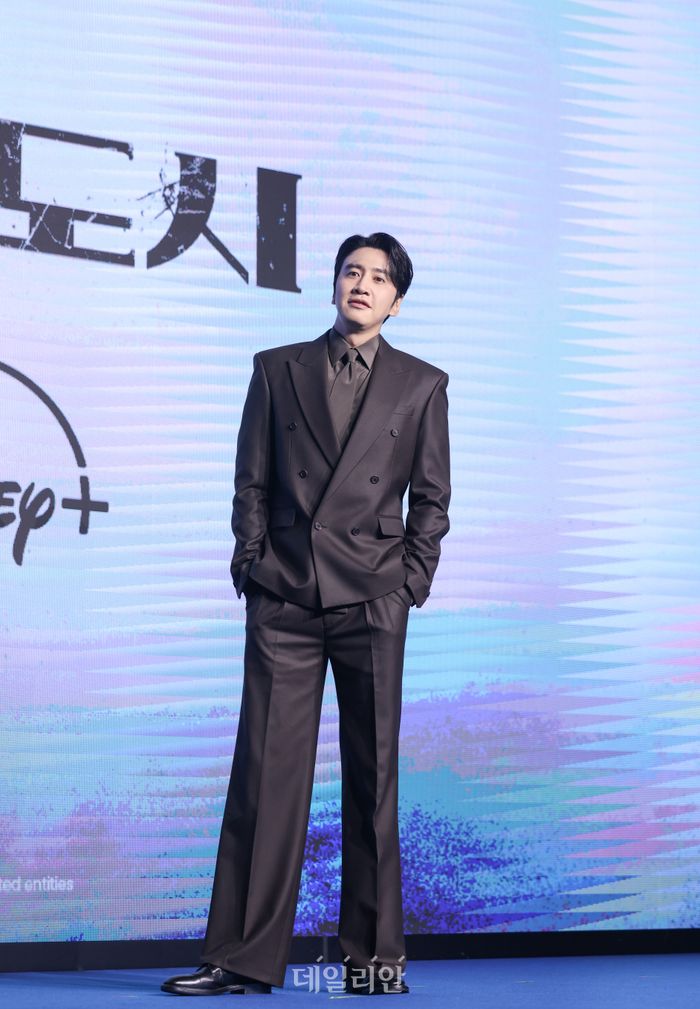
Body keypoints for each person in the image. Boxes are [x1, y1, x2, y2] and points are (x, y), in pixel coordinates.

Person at [161, 232, 450, 996]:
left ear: (396, 301)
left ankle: (374, 960)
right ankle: (238, 957)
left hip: (373, 596)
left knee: (373, 780)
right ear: (333, 285)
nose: (363, 283)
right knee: (264, 775)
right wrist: (252, 565)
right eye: (352, 270)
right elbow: (249, 481)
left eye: (379, 277)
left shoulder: (423, 384)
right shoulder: (276, 368)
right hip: (285, 592)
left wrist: (409, 582)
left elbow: (432, 498)